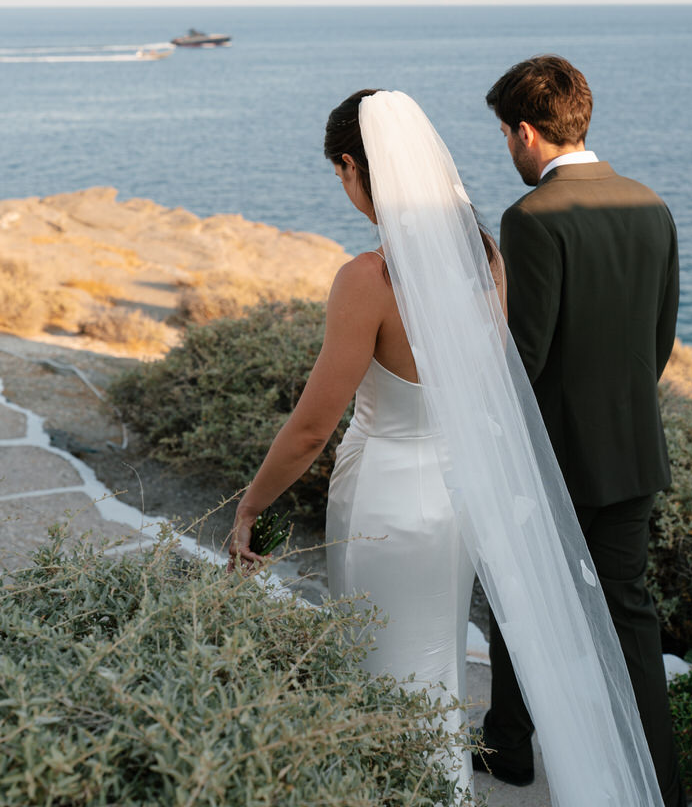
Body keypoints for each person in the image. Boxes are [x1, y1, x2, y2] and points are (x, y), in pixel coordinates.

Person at [230, 88, 665, 807]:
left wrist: (252, 505)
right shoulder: (485, 260)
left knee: (378, 677)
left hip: (385, 508)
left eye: (340, 174)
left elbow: (311, 427)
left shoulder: (367, 280)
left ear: (351, 167)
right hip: (457, 502)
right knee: (434, 680)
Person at [483, 55, 685, 807]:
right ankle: (661, 787)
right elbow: (657, 343)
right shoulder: (650, 205)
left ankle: (509, 745)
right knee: (632, 626)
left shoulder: (532, 217)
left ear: (528, 132)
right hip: (633, 453)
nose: (508, 148)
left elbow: (525, 355)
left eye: (507, 134)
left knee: (517, 590)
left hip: (554, 461)